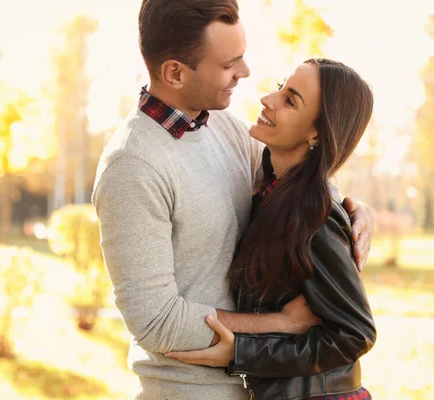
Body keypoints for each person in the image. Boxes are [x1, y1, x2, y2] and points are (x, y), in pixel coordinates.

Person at [92, 1, 375, 398]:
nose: (245, 73)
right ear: (175, 72)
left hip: (258, 387)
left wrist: (352, 209)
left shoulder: (225, 128)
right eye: (229, 64)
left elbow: (294, 185)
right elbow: (157, 323)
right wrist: (282, 323)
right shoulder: (133, 166)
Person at [166, 59, 377, 399]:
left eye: (291, 100)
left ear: (317, 134)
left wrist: (243, 354)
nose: (268, 98)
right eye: (280, 86)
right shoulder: (271, 193)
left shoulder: (315, 216)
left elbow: (355, 333)